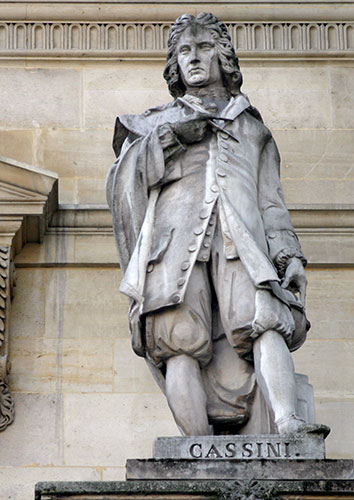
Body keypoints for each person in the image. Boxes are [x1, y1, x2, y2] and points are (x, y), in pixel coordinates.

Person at [106, 12, 312, 436]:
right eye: (184, 51)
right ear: (175, 64)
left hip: (242, 242)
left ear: (224, 57)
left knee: (264, 317)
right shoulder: (154, 122)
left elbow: (270, 200)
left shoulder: (253, 128)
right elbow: (123, 180)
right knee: (177, 338)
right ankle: (195, 449)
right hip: (175, 245)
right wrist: (172, 136)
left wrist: (289, 255)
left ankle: (288, 421)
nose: (194, 58)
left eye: (204, 48)